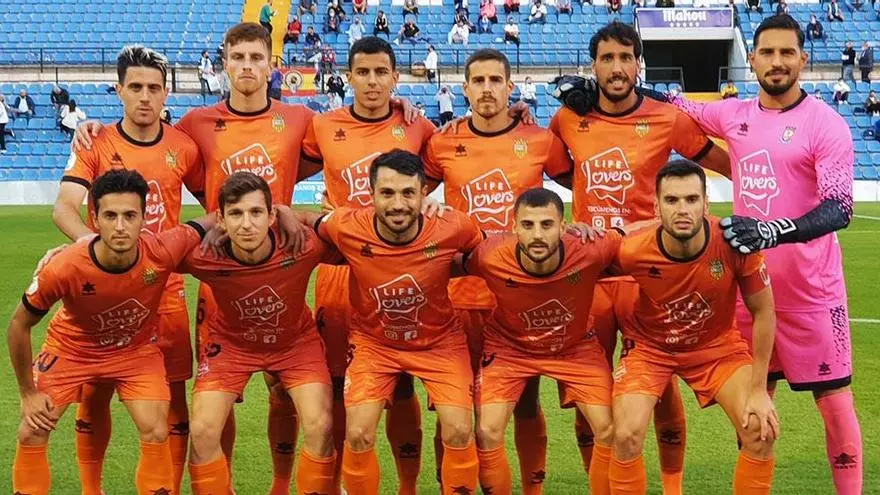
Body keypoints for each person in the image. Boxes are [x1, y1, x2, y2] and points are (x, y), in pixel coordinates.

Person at [598, 15, 862, 494]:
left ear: (803, 59)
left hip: (812, 293)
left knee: (835, 405)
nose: (777, 62)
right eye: (768, 53)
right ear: (752, 59)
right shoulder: (733, 115)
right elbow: (673, 104)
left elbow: (840, 206)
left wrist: (773, 230)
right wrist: (601, 93)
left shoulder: (826, 124)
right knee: (755, 417)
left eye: (787, 53)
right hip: (746, 290)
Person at [73, 23, 322, 494]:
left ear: (272, 65)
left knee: (284, 390)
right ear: (223, 64)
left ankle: (281, 486)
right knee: (216, 403)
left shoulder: (300, 120)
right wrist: (96, 128)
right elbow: (149, 142)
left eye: (256, 57)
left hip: (282, 270)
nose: (247, 66)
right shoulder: (194, 126)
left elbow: (350, 139)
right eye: (238, 57)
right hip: (218, 276)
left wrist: (403, 108)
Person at [545, 20, 732, 494]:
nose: (617, 67)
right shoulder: (566, 119)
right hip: (589, 275)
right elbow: (560, 173)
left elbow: (727, 164)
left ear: (638, 64)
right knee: (589, 394)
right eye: (607, 58)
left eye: (625, 57)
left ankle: (672, 488)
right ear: (593, 66)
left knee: (659, 384)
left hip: (649, 273)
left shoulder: (666, 118)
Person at [421, 49, 575, 494]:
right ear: (464, 89)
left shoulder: (540, 140)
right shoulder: (442, 142)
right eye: (478, 81)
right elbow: (408, 192)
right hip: (458, 296)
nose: (487, 89)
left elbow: (579, 182)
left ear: (511, 87)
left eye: (495, 81)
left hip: (519, 296)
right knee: (452, 407)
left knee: (524, 401)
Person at [54, 45, 204, 494]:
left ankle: (167, 488)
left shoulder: (183, 147)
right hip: (104, 291)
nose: (144, 96)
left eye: (154, 88)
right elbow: (64, 208)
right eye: (135, 86)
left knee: (173, 399)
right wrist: (96, 251)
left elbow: (217, 203)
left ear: (166, 93)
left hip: (165, 291)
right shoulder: (95, 142)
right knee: (94, 391)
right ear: (118, 90)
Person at [10, 169, 214, 495]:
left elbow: (210, 220)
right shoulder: (64, 266)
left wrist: (283, 213)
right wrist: (27, 393)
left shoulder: (162, 249)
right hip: (71, 350)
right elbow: (18, 325)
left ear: (144, 218)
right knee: (32, 430)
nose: (120, 226)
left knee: (156, 429)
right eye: (110, 216)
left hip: (135, 353)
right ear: (95, 219)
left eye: (130, 216)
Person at [292, 150, 484, 494]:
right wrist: (280, 212)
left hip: (439, 342)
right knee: (358, 433)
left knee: (458, 430)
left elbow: (482, 253)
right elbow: (307, 220)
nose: (398, 204)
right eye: (387, 193)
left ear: (424, 193)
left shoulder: (454, 225)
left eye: (408, 193)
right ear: (371, 194)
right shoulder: (347, 224)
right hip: (374, 344)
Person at [298, 37, 438, 494]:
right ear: (349, 77)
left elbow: (453, 159)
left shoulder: (417, 127)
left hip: (401, 270)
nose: (373, 82)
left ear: (395, 78)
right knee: (339, 381)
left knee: (402, 382)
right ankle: (341, 482)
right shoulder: (322, 126)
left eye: (381, 73)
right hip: (341, 271)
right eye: (363, 72)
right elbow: (282, 164)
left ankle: (407, 487)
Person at [607, 160, 778, 494]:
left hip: (716, 348)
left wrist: (759, 390)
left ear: (706, 204)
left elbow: (764, 312)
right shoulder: (631, 249)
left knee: (761, 430)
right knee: (625, 434)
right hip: (649, 350)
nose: (682, 209)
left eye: (691, 199)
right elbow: (579, 266)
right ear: (656, 207)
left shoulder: (735, 244)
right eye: (671, 200)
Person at [460, 189, 643, 495]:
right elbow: (442, 260)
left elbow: (636, 233)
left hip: (575, 348)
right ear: (514, 227)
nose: (537, 235)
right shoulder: (490, 254)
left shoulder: (589, 249)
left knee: (610, 428)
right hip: (509, 349)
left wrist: (707, 225)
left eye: (547, 224)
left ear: (563, 226)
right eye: (528, 225)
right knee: (487, 430)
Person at [180, 172, 339, 494]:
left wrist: (300, 215)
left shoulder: (303, 245)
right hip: (231, 346)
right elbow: (146, 254)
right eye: (235, 214)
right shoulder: (203, 256)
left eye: (255, 212)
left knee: (320, 424)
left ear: (272, 216)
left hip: (296, 344)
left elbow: (365, 242)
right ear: (220, 220)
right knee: (202, 430)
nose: (246, 224)